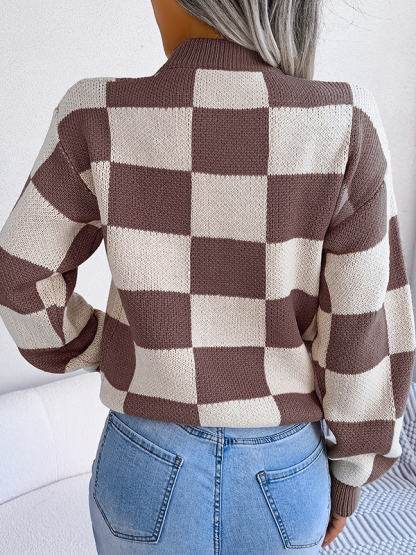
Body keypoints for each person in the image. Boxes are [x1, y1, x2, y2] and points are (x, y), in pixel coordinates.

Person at [0, 0, 415, 554]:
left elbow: (20, 274)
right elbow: (363, 332)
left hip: (144, 460)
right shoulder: (345, 123)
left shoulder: (95, 113)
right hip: (286, 469)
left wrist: (104, 346)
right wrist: (351, 476)